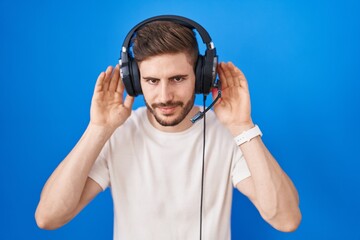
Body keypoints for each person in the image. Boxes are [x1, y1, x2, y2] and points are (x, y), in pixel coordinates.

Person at [35, 16, 301, 239]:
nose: (164, 96)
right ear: (135, 82)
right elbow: (49, 217)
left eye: (177, 78)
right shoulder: (119, 133)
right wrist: (98, 129)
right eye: (151, 80)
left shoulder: (229, 134)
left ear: (201, 77)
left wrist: (243, 126)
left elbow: (286, 219)